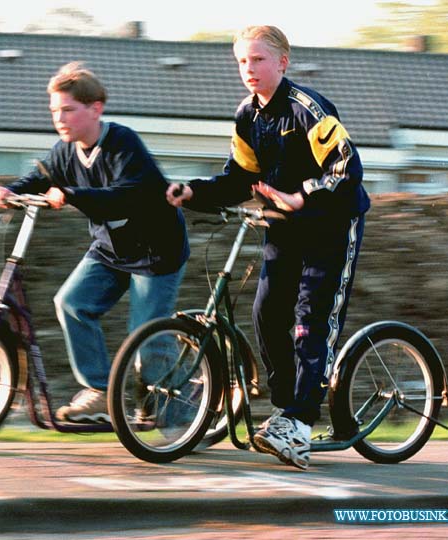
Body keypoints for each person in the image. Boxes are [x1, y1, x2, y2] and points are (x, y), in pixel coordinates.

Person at [167, 26, 369, 470]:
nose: (249, 70)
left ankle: (299, 422)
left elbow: (346, 166)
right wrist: (192, 192)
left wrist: (305, 195)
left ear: (282, 62)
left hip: (331, 224)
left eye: (258, 60)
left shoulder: (307, 109)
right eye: (242, 62)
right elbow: (238, 178)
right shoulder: (247, 116)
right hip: (284, 225)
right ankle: (284, 408)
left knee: (310, 320)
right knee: (266, 312)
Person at [0, 62, 189, 423]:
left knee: (146, 336)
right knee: (71, 303)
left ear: (96, 108)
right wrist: (9, 191)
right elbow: (39, 178)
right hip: (110, 249)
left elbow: (127, 196)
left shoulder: (122, 144)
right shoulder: (65, 150)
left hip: (154, 251)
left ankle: (179, 419)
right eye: (54, 111)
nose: (59, 119)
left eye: (68, 109)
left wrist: (71, 193)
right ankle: (99, 391)